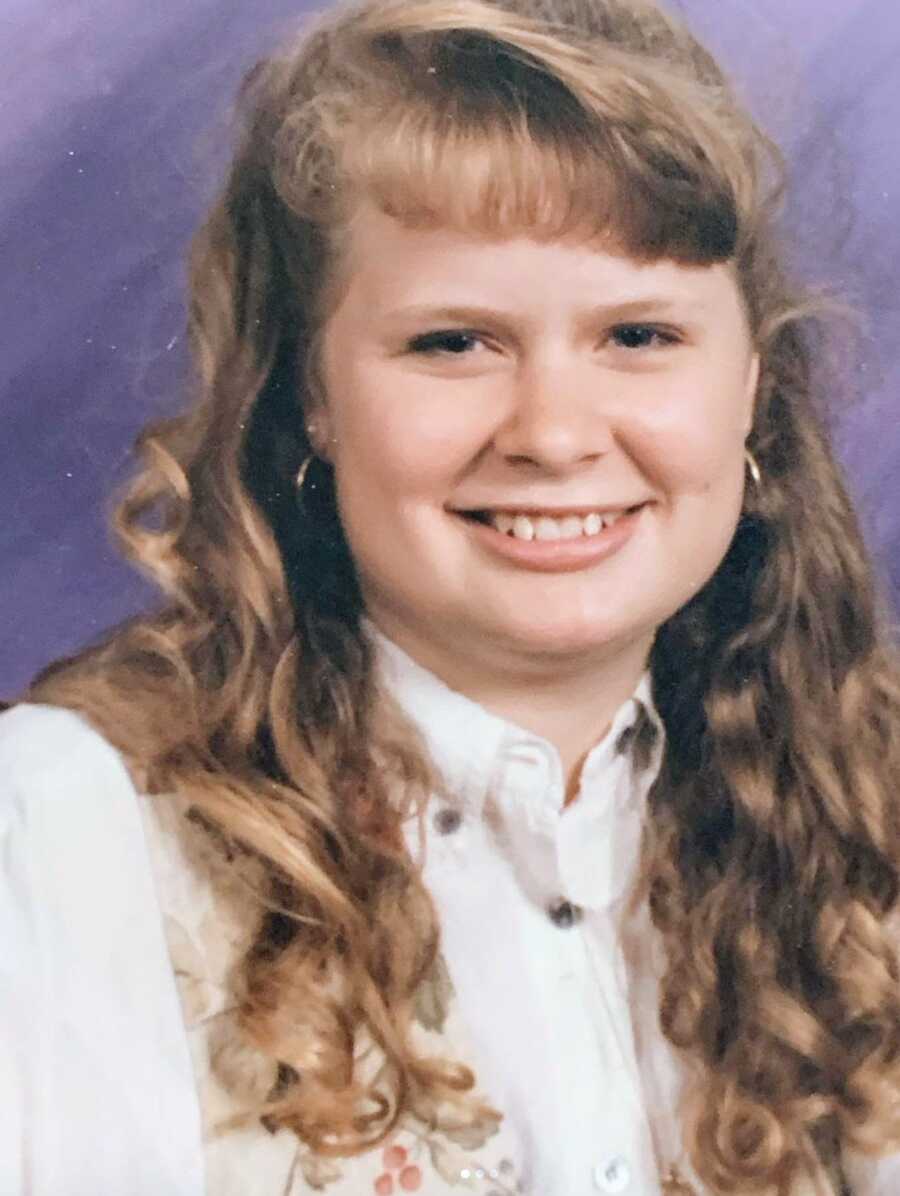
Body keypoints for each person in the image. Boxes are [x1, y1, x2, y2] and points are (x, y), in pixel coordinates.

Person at [2, 0, 899, 1192]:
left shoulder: (868, 791)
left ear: (751, 386)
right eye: (453, 343)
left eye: (638, 334)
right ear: (311, 396)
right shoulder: (68, 831)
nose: (555, 434)